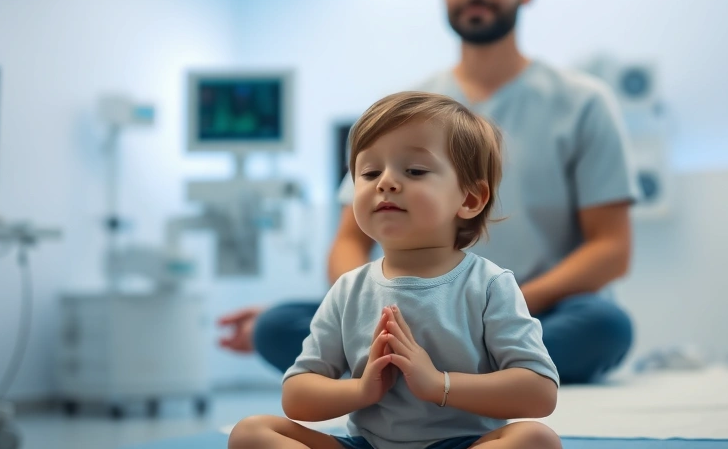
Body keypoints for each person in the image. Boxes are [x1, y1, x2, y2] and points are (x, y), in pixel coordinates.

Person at [219, 0, 638, 385]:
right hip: (406, 307)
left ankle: (412, 369)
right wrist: (364, 306)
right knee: (276, 325)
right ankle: (453, 368)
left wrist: (499, 305)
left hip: (536, 313)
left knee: (605, 326)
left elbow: (611, 249)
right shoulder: (407, 112)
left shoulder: (582, 103)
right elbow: (349, 241)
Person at [229, 91, 561, 449]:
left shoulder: (489, 285)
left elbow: (539, 391)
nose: (385, 182)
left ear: (469, 199)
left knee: (536, 439)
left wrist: (438, 385)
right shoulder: (349, 289)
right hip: (368, 445)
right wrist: (360, 390)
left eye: (415, 170)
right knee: (250, 432)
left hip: (461, 443)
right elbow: (296, 395)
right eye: (369, 172)